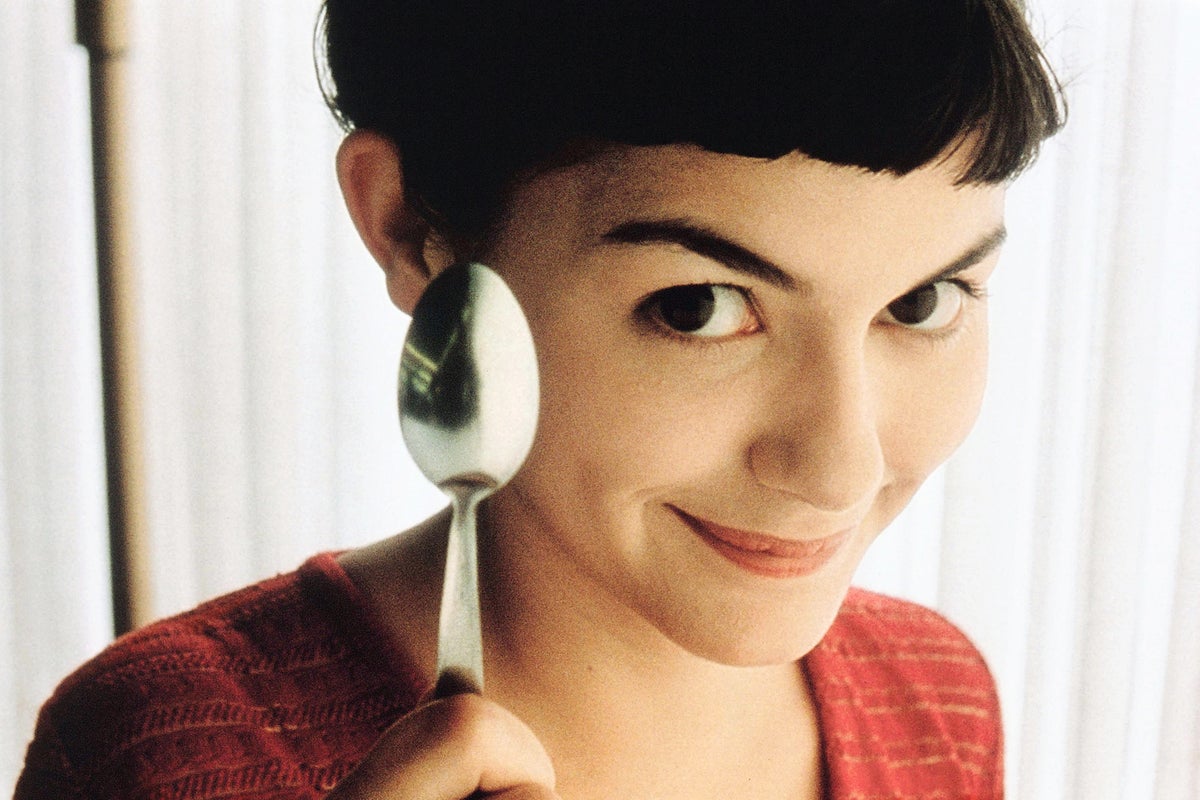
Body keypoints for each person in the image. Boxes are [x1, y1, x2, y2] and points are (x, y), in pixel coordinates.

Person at [15, 1, 1064, 798]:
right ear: (410, 228)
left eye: (923, 302)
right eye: (697, 307)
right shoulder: (160, 755)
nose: (840, 466)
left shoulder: (939, 699)